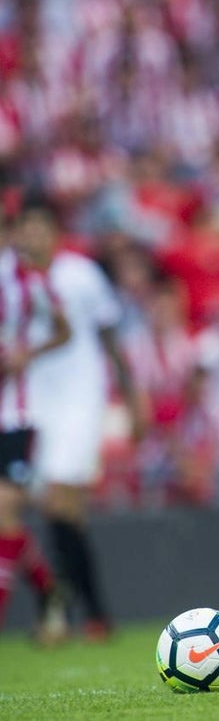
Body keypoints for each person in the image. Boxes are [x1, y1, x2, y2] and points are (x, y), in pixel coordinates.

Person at [16, 198, 145, 642]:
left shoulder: (79, 274)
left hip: (79, 398)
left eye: (40, 226)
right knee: (47, 511)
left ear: (55, 232)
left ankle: (68, 609)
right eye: (25, 228)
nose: (32, 236)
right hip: (30, 403)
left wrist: (131, 397)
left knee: (59, 501)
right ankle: (85, 609)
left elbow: (110, 337)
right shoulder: (12, 279)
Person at [0, 214, 69, 643]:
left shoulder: (28, 279)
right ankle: (49, 588)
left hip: (18, 413)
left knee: (5, 508)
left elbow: (64, 329)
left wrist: (30, 353)